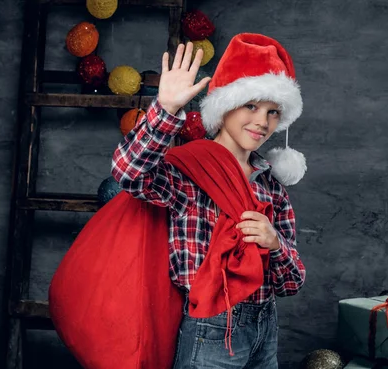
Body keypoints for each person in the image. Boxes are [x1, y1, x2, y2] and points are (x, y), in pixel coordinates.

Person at [112, 33, 307, 369]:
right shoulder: (187, 169)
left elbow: (291, 282)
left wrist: (275, 244)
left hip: (265, 325)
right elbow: (129, 173)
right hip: (211, 326)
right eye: (251, 105)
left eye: (273, 111)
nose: (262, 121)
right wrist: (167, 110)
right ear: (225, 104)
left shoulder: (271, 183)